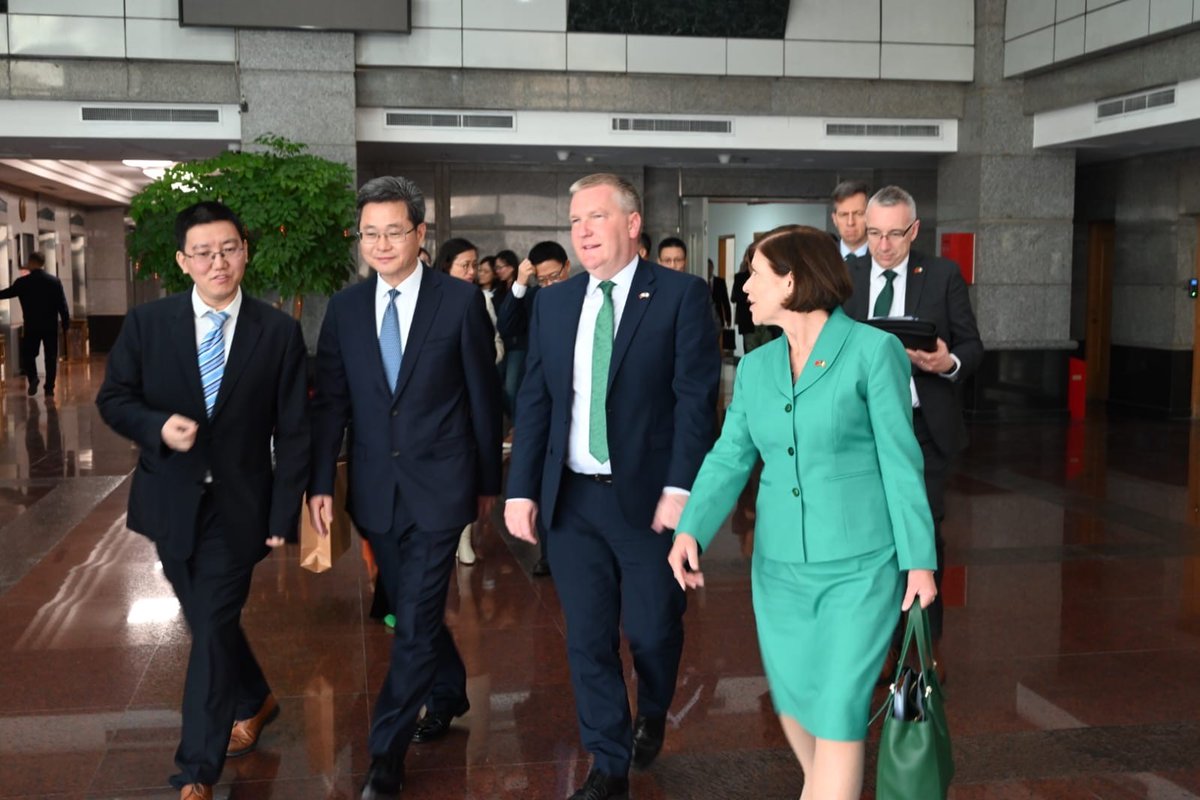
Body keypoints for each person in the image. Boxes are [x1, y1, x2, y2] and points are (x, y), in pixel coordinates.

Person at [667, 224, 937, 800]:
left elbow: (900, 463)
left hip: (860, 567)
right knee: (792, 701)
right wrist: (692, 526)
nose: (743, 287)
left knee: (838, 707)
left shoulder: (872, 352)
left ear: (791, 281)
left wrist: (919, 563)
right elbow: (731, 454)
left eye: (755, 275)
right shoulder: (759, 366)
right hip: (779, 567)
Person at [505, 173, 720, 800]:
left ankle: (653, 706)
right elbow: (537, 400)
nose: (582, 231)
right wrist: (522, 489)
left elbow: (693, 402)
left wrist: (682, 488)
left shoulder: (679, 296)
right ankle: (607, 760)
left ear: (631, 224)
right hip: (572, 500)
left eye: (595, 217)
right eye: (574, 221)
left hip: (649, 501)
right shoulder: (555, 301)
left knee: (653, 628)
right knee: (588, 636)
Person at [96, 201, 310, 800]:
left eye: (230, 248)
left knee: (212, 624)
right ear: (181, 261)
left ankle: (198, 769)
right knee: (207, 621)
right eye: (204, 252)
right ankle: (256, 697)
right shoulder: (148, 324)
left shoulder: (278, 332)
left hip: (241, 508)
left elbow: (294, 431)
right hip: (171, 502)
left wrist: (282, 513)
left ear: (245, 250)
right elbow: (114, 399)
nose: (219, 262)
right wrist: (156, 424)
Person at [308, 176, 502, 800]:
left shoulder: (459, 301)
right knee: (412, 612)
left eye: (395, 230)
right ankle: (448, 689)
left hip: (442, 488)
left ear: (421, 234)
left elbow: (481, 397)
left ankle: (384, 757)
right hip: (374, 492)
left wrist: (487, 487)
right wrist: (319, 485)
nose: (382, 243)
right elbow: (332, 403)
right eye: (370, 232)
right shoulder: (343, 310)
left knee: (413, 620)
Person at [844, 185, 983, 671]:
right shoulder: (846, 277)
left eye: (895, 235)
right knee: (871, 536)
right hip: (861, 433)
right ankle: (876, 643)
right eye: (875, 233)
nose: (883, 246)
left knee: (922, 534)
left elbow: (972, 344)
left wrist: (946, 362)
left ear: (915, 230)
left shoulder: (943, 275)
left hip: (924, 427)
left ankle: (921, 649)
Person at [496, 240, 572, 578]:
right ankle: (549, 553)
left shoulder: (584, 295)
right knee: (544, 476)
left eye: (554, 276)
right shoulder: (536, 297)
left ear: (567, 268)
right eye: (544, 279)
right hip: (543, 399)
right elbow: (507, 326)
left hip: (575, 399)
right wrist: (521, 284)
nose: (550, 284)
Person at [436, 236, 504, 566]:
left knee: (463, 480)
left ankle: (462, 539)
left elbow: (490, 348)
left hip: (463, 405)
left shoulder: (476, 299)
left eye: (474, 265)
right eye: (464, 264)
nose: (471, 271)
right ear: (446, 265)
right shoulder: (428, 299)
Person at [0, 252, 70, 396]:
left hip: (32, 326)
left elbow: (7, 293)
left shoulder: (23, 282)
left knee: (28, 354)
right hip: (50, 326)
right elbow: (62, 305)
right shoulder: (54, 282)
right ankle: (49, 388)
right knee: (51, 356)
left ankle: (33, 378)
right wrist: (65, 324)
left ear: (32, 263)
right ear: (43, 263)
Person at [830, 180, 871, 261]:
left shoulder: (884, 258)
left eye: (859, 213)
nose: (850, 222)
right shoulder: (822, 259)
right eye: (843, 215)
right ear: (834, 219)